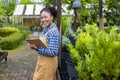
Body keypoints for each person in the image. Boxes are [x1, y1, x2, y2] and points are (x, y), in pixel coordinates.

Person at [29, 6, 60, 80]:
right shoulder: (46, 29)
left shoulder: (53, 31)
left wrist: (37, 48)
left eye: (46, 17)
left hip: (48, 64)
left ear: (52, 17)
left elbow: (53, 52)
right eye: (42, 18)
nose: (43, 20)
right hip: (42, 62)